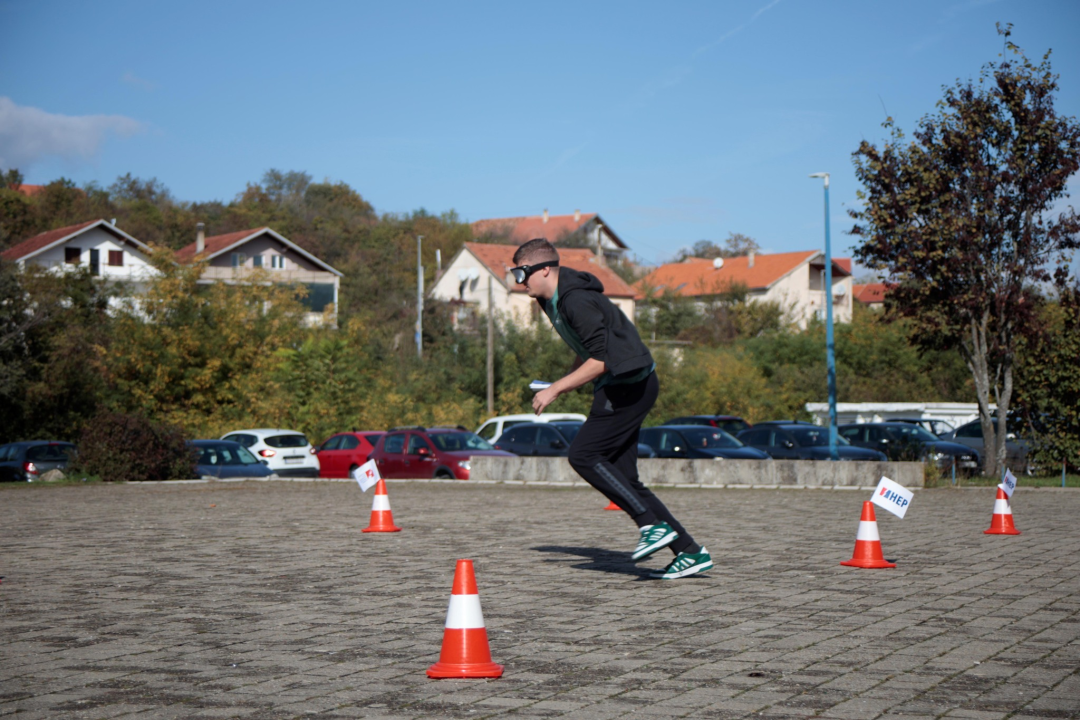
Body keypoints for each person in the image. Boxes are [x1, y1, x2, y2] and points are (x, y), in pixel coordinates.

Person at [512, 238, 712, 579]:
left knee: (584, 455)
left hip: (628, 386)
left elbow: (602, 358)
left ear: (544, 269)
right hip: (622, 385)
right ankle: (689, 551)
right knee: (626, 478)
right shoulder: (552, 301)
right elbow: (588, 348)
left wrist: (557, 389)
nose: (520, 281)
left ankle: (650, 525)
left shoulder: (576, 300)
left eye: (522, 273)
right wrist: (564, 380)